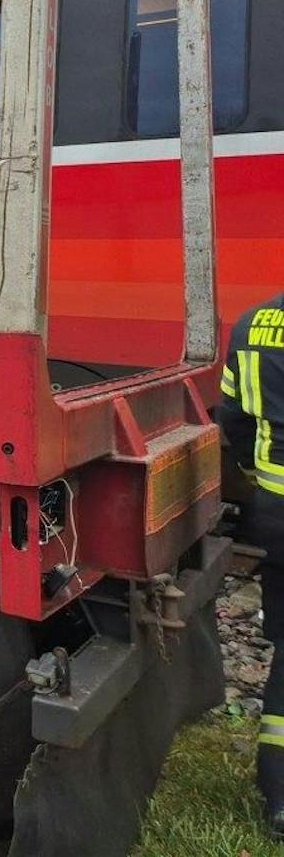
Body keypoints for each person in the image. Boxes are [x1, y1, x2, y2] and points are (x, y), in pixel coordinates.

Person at [219, 294, 284, 838]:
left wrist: (254, 471)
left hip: (274, 513)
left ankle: (278, 794)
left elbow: (233, 416)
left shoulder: (251, 323)